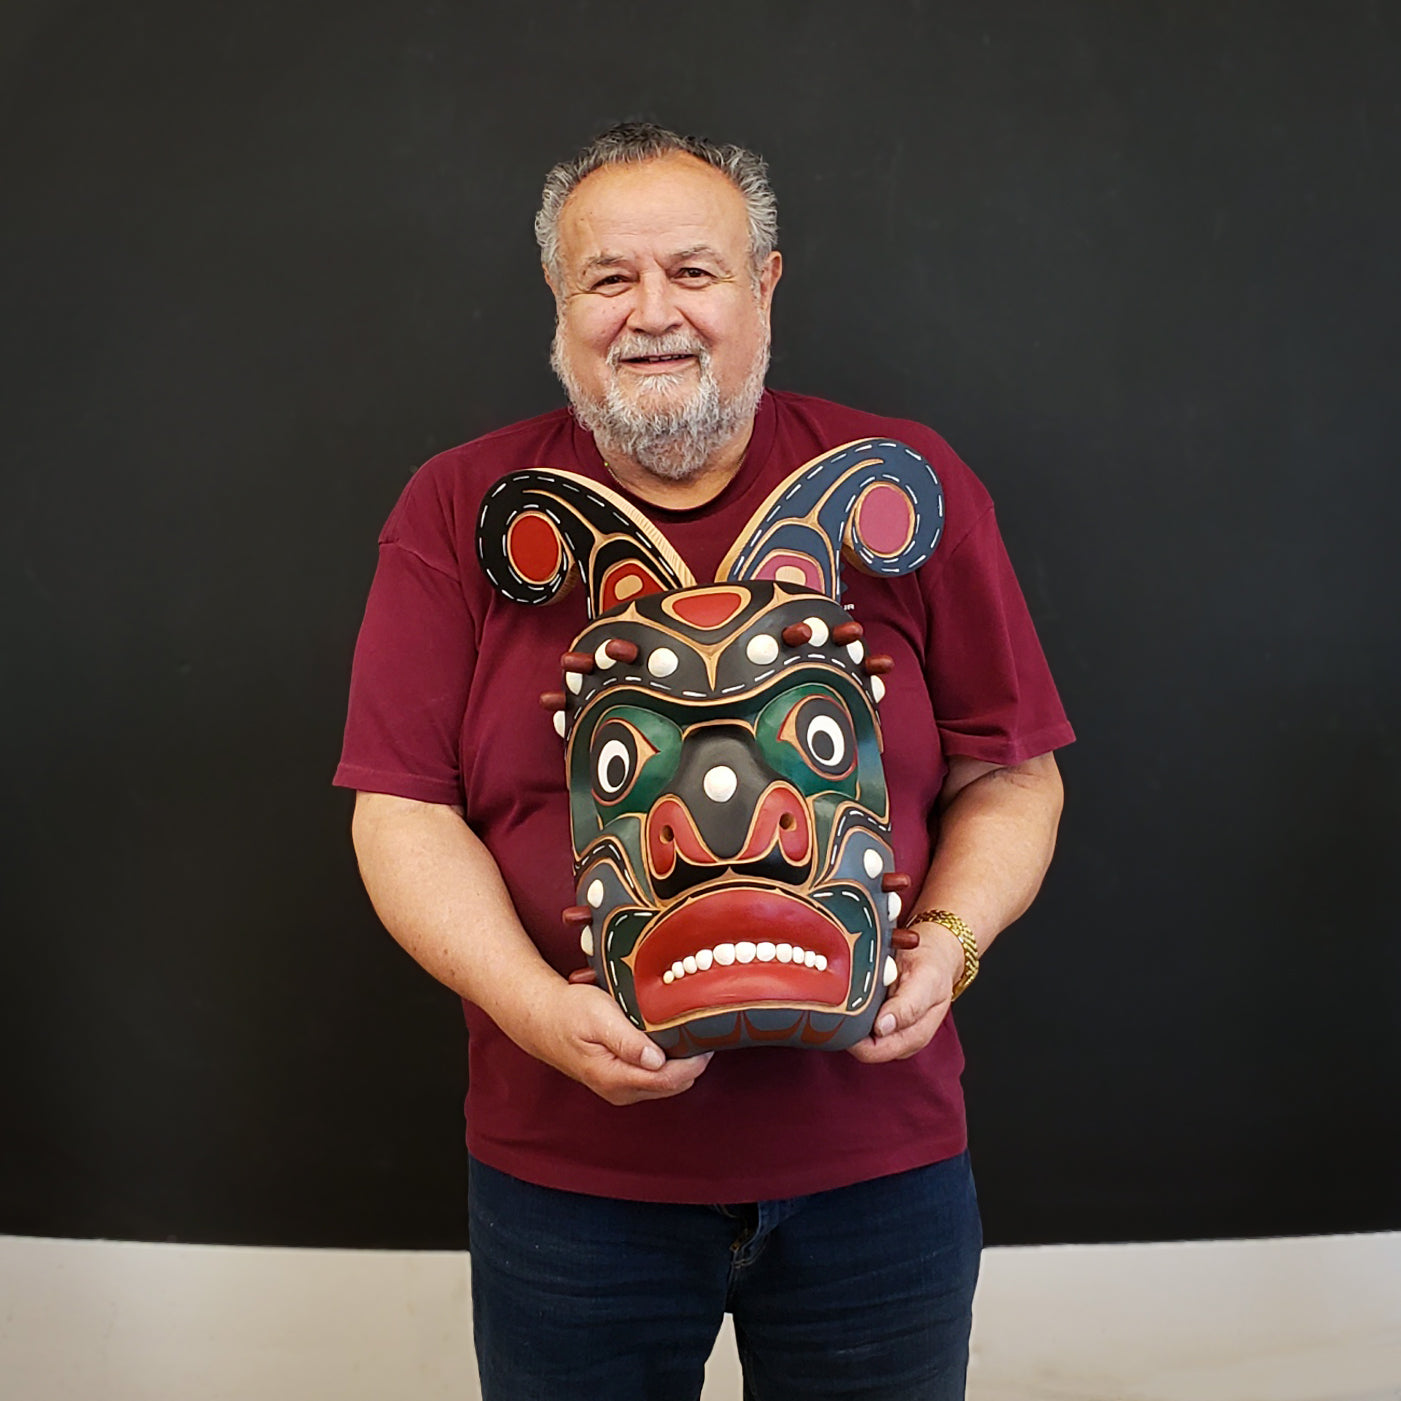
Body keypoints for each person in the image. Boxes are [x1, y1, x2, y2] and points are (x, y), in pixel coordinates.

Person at [336, 122, 1072, 1401]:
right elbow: (402, 809)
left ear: (767, 286)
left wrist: (947, 944)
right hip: (570, 1183)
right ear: (560, 305)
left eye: (696, 270)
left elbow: (1011, 771)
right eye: (607, 279)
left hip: (877, 1171)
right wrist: (532, 1010)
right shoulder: (460, 507)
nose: (653, 313)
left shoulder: (910, 481)